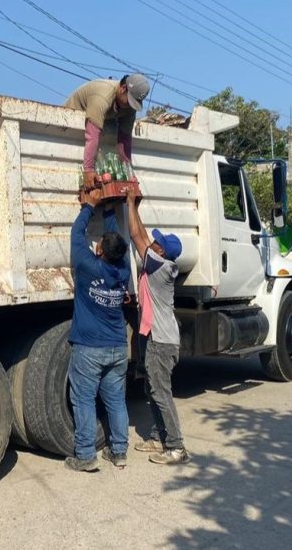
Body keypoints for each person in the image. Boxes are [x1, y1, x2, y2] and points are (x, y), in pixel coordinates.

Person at [65, 187, 132, 472]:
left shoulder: (88, 267)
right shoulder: (124, 270)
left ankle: (85, 455)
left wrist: (89, 206)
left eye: (101, 244)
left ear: (100, 250)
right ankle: (118, 452)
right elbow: (117, 243)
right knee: (116, 399)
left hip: (90, 348)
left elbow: (76, 235)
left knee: (83, 398)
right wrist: (108, 210)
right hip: (117, 347)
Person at [126, 188, 190, 465]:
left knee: (161, 392)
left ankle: (176, 447)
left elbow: (136, 236)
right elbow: (142, 235)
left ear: (161, 251)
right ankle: (157, 436)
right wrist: (136, 208)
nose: (152, 242)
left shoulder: (160, 267)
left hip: (162, 341)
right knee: (152, 388)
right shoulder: (159, 261)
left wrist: (129, 202)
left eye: (157, 242)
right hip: (154, 336)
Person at [65, 74, 151, 190]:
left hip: (96, 128)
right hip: (69, 126)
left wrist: (128, 174)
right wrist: (88, 170)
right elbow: (92, 135)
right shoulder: (102, 96)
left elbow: (124, 140)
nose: (129, 106)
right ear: (123, 88)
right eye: (129, 101)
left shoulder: (129, 108)